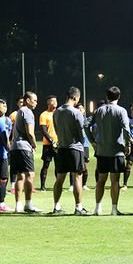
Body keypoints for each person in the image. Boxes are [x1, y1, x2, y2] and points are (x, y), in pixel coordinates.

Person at [86, 86, 131, 216]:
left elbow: (86, 125)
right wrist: (127, 144)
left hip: (102, 150)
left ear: (107, 97)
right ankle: (113, 209)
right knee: (115, 181)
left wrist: (93, 141)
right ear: (119, 96)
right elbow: (126, 129)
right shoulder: (121, 111)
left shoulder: (99, 110)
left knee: (100, 180)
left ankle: (98, 208)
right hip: (117, 150)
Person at [51, 87, 87, 215]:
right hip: (74, 148)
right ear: (75, 98)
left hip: (62, 148)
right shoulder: (76, 112)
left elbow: (55, 129)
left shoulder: (57, 112)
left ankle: (56, 206)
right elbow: (81, 132)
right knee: (77, 177)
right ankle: (78, 207)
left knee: (59, 178)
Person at [10, 91, 42, 213]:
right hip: (24, 147)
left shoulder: (20, 111)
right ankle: (28, 204)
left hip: (15, 147)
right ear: (27, 100)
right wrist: (34, 144)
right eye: (34, 100)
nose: (36, 103)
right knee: (30, 175)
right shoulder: (28, 112)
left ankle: (18, 205)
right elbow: (30, 132)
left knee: (20, 176)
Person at [38, 95, 58, 191]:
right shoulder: (44, 115)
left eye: (56, 101)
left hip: (59, 144)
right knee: (46, 165)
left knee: (58, 165)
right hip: (48, 144)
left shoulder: (59, 113)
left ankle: (58, 185)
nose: (55, 103)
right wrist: (51, 140)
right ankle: (42, 186)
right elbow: (44, 130)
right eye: (52, 101)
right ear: (48, 103)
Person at [8, 96, 24, 192]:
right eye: (20, 102)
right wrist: (10, 141)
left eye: (23, 102)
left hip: (25, 143)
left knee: (25, 165)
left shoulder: (28, 113)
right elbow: (9, 130)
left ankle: (26, 183)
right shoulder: (13, 115)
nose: (22, 104)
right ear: (17, 104)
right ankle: (13, 186)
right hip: (14, 143)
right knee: (14, 165)